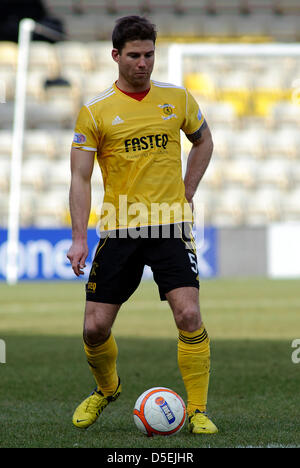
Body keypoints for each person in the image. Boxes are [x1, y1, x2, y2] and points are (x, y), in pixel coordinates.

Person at [67, 15, 217, 435]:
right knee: (94, 327)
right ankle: (107, 389)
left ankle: (198, 410)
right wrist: (80, 238)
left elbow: (204, 140)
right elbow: (79, 177)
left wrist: (187, 190)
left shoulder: (178, 99)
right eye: (134, 55)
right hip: (118, 230)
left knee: (188, 314)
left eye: (149, 54)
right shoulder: (95, 111)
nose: (143, 63)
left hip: (170, 226)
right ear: (116, 56)